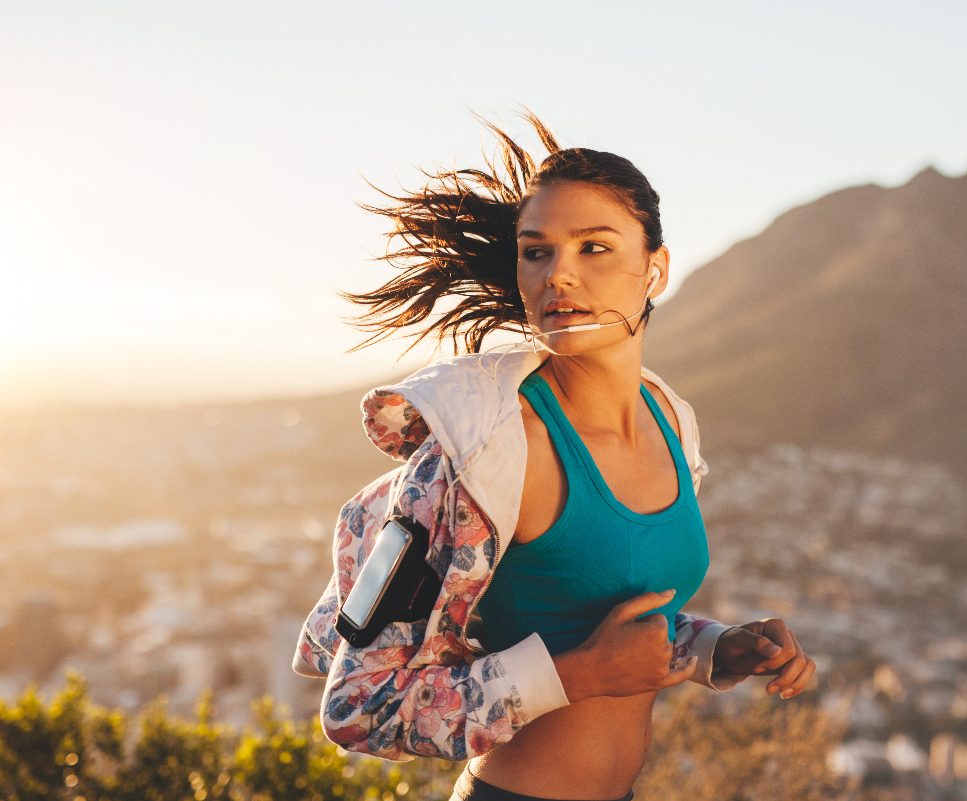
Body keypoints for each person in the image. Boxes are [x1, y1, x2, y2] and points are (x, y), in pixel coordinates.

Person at [293, 108, 817, 801]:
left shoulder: (670, 422)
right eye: (536, 251)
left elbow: (607, 610)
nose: (557, 276)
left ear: (654, 269)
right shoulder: (485, 452)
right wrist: (583, 675)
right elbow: (360, 706)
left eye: (593, 248)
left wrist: (715, 647)